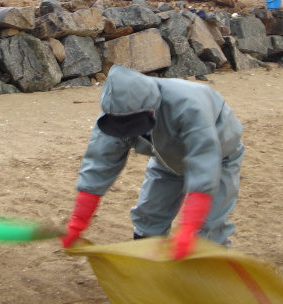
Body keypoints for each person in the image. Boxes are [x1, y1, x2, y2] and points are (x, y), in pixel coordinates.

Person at [61, 65, 245, 259]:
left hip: (219, 157)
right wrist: (77, 223)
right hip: (166, 158)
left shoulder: (188, 107)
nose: (130, 132)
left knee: (208, 230)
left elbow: (203, 166)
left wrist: (188, 228)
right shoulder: (113, 116)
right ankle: (150, 268)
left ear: (150, 110)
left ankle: (210, 277)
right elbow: (97, 168)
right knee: (149, 218)